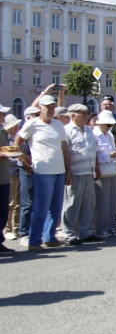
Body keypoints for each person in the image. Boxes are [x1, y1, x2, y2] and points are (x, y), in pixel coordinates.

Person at [14, 95, 71, 251]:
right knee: (41, 207)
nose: (51, 109)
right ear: (40, 108)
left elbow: (64, 149)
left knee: (56, 207)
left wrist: (68, 170)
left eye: (53, 107)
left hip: (59, 169)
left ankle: (49, 237)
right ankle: (34, 240)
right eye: (48, 107)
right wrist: (25, 161)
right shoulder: (32, 124)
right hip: (42, 171)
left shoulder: (58, 125)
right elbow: (17, 143)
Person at [62, 104, 102, 245]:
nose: (86, 116)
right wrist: (68, 170)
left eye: (86, 113)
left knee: (88, 203)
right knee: (72, 203)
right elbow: (65, 152)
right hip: (75, 172)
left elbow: (94, 149)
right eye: (82, 113)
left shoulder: (88, 130)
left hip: (89, 171)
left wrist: (97, 167)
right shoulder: (66, 130)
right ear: (72, 115)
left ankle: (85, 232)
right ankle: (69, 234)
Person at [93, 111, 116, 237]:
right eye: (107, 124)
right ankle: (101, 229)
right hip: (102, 171)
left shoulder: (110, 135)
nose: (109, 127)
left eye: (111, 125)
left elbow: (112, 152)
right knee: (102, 202)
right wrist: (109, 156)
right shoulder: (94, 134)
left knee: (112, 201)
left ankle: (112, 227)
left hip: (112, 170)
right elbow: (95, 155)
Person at [15, 106, 39, 248]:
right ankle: (24, 233)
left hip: (39, 169)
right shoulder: (24, 131)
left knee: (37, 202)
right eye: (35, 115)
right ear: (28, 117)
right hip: (27, 170)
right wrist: (27, 166)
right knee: (28, 202)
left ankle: (34, 231)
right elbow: (20, 151)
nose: (37, 117)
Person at [4, 114, 22, 244]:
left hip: (19, 171)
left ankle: (16, 228)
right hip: (10, 172)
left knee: (19, 202)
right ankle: (8, 229)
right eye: (14, 125)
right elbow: (9, 155)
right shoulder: (5, 138)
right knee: (10, 203)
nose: (16, 127)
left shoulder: (17, 137)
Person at [0, 104, 12, 253]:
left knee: (3, 210)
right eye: (2, 113)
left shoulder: (3, 130)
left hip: (4, 176)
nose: (4, 116)